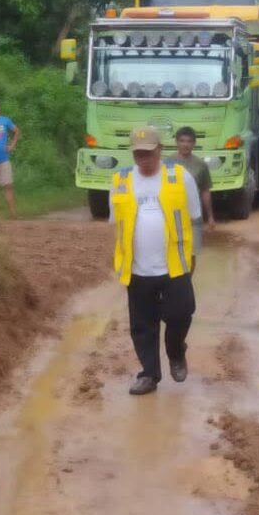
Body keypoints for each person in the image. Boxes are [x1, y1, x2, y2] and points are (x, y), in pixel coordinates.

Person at [110, 126, 203, 396]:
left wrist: (193, 258)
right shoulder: (120, 180)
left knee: (181, 314)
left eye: (148, 153)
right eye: (138, 154)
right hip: (138, 269)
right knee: (142, 325)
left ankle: (176, 351)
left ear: (160, 150)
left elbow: (194, 220)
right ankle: (149, 374)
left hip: (174, 264)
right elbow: (117, 225)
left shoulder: (179, 177)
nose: (144, 159)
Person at [165, 127, 215, 270]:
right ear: (176, 142)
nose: (185, 144)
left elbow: (205, 191)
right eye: (182, 141)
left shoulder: (201, 165)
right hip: (171, 216)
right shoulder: (167, 164)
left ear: (194, 143)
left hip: (193, 216)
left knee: (191, 254)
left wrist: (210, 217)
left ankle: (187, 283)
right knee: (170, 251)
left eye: (189, 141)